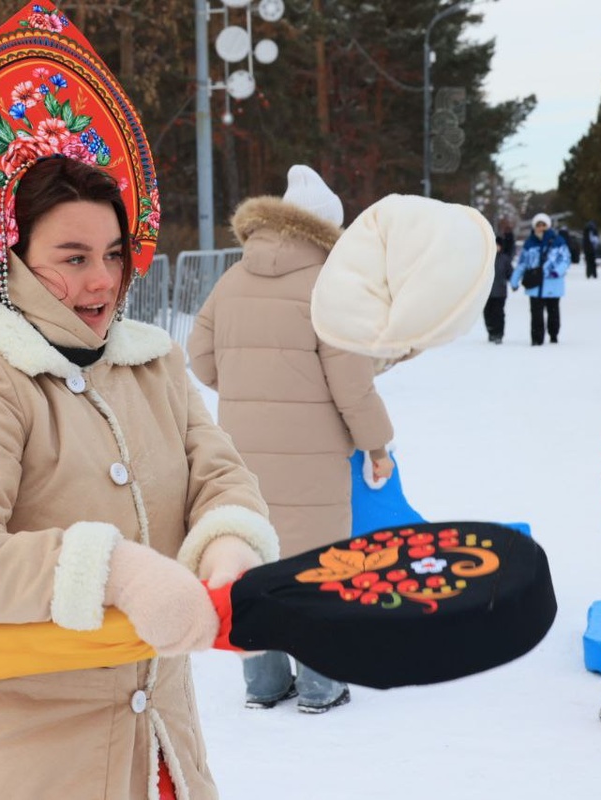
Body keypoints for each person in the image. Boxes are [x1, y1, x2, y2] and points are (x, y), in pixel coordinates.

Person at [0, 9, 278, 797]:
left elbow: (218, 474)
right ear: (11, 259)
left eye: (112, 253)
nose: (102, 280)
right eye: (72, 257)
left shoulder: (152, 363)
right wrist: (118, 573)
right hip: (37, 759)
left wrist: (230, 549)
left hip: (159, 750)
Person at [187, 164, 394, 713]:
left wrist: (244, 388)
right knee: (317, 566)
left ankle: (264, 683)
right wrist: (376, 445)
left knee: (256, 563)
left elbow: (199, 357)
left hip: (242, 455)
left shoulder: (232, 280)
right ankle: (321, 686)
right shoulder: (329, 290)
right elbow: (352, 387)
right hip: (314, 460)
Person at [510, 212, 571, 345]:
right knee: (536, 313)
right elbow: (522, 263)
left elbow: (565, 259)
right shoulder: (529, 243)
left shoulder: (558, 241)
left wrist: (557, 272)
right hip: (535, 284)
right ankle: (537, 339)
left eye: (543, 225)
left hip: (553, 283)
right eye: (538, 225)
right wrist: (514, 281)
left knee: (553, 312)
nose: (541, 227)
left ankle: (553, 334)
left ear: (548, 226)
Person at [484, 234, 512, 343]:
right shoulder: (485, 258)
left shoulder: (504, 259)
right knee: (488, 313)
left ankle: (499, 333)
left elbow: (510, 273)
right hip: (487, 292)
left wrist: (513, 282)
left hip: (500, 292)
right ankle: (491, 332)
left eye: (497, 245)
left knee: (498, 313)